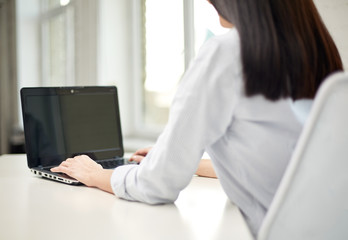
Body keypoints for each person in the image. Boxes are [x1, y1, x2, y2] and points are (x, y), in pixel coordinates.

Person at [51, 0, 343, 237]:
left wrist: (95, 174)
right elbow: (287, 164)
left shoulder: (228, 51)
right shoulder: (315, 53)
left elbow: (158, 185)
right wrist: (180, 157)